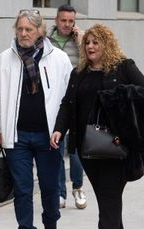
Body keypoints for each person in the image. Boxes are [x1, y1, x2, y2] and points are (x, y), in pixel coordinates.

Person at [51, 24, 144, 229]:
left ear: (106, 45)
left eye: (95, 42)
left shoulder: (124, 67)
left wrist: (120, 99)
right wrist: (59, 129)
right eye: (87, 43)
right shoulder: (79, 74)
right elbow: (67, 104)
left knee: (109, 195)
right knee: (106, 197)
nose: (90, 47)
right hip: (87, 149)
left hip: (116, 147)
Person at [0, 9, 73, 229]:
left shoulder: (58, 59)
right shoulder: (4, 59)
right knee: (23, 190)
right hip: (17, 137)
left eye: (29, 29)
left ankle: (51, 222)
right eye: (20, 29)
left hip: (49, 137)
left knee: (49, 187)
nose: (23, 34)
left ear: (40, 31)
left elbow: (69, 99)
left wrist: (63, 128)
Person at [48, 4, 87, 209]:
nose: (66, 24)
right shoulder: (46, 41)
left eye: (70, 21)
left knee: (76, 149)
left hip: (76, 100)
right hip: (54, 101)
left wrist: (80, 42)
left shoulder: (81, 41)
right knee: (57, 146)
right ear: (56, 20)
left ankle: (78, 188)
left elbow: (88, 65)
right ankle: (60, 192)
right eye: (63, 20)